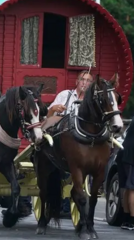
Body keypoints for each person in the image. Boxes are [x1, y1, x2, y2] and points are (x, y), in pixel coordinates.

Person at [45, 70, 93, 217]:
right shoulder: (65, 95)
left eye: (88, 80)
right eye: (82, 79)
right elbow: (49, 115)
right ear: (76, 82)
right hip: (62, 140)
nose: (85, 82)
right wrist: (54, 109)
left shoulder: (91, 101)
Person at [118, 119, 134, 230]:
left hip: (124, 151)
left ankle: (126, 219)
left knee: (127, 188)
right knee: (132, 188)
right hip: (131, 155)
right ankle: (132, 220)